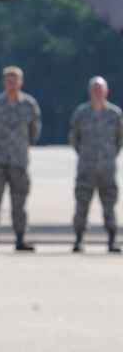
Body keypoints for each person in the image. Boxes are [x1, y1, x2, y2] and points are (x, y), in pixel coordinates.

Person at [0, 65, 41, 252]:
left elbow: (35, 132)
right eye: (9, 80)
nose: (12, 84)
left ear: (21, 82)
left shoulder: (29, 105)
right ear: (4, 82)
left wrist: (19, 147)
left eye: (15, 80)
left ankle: (20, 239)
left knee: (19, 203)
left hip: (19, 161)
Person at [68, 76, 123, 253]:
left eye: (100, 89)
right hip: (86, 168)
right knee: (82, 203)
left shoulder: (114, 114)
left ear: (107, 92)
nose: (98, 92)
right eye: (94, 89)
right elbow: (74, 138)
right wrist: (86, 155)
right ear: (89, 92)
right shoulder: (81, 113)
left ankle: (112, 239)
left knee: (109, 204)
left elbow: (119, 139)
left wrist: (109, 155)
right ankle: (79, 239)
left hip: (107, 168)